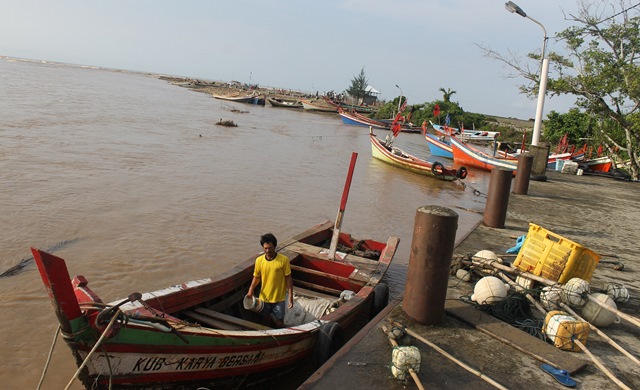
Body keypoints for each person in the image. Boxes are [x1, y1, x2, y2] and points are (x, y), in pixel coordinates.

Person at [246, 233, 293, 328]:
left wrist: (291, 296)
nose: (268, 251)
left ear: (275, 247)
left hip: (279, 298)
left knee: (279, 322)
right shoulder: (259, 261)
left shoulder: (283, 260)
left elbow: (288, 278)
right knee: (264, 319)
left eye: (270, 248)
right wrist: (250, 290)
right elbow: (256, 277)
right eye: (265, 248)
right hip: (264, 298)